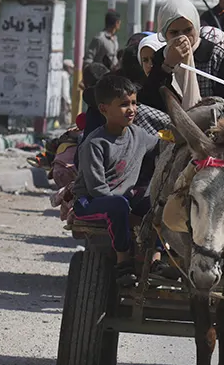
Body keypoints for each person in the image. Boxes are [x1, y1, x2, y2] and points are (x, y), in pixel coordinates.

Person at [71, 75, 172, 286]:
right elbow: (97, 188)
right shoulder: (95, 143)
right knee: (118, 205)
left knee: (158, 201)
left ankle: (155, 259)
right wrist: (129, 215)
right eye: (124, 104)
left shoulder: (139, 135)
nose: (132, 109)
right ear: (104, 109)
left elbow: (162, 147)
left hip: (125, 199)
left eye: (134, 103)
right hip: (91, 201)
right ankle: (123, 261)